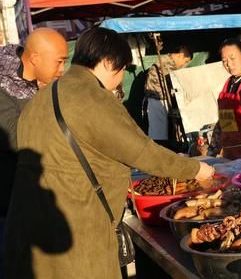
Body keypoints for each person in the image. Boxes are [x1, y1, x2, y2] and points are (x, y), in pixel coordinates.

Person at [5, 27, 214, 279]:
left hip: (28, 236)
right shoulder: (91, 96)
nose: (121, 76)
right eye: (123, 68)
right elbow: (142, 151)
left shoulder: (41, 98)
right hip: (75, 236)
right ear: (107, 63)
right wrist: (197, 169)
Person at [0, 27, 68, 277]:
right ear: (35, 59)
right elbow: (19, 139)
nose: (62, 69)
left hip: (38, 201)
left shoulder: (40, 85)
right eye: (59, 62)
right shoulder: (3, 87)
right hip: (9, 207)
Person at [144, 45, 192, 142]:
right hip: (158, 100)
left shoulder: (166, 62)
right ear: (181, 54)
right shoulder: (166, 64)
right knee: (159, 136)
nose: (184, 65)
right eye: (185, 61)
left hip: (160, 100)